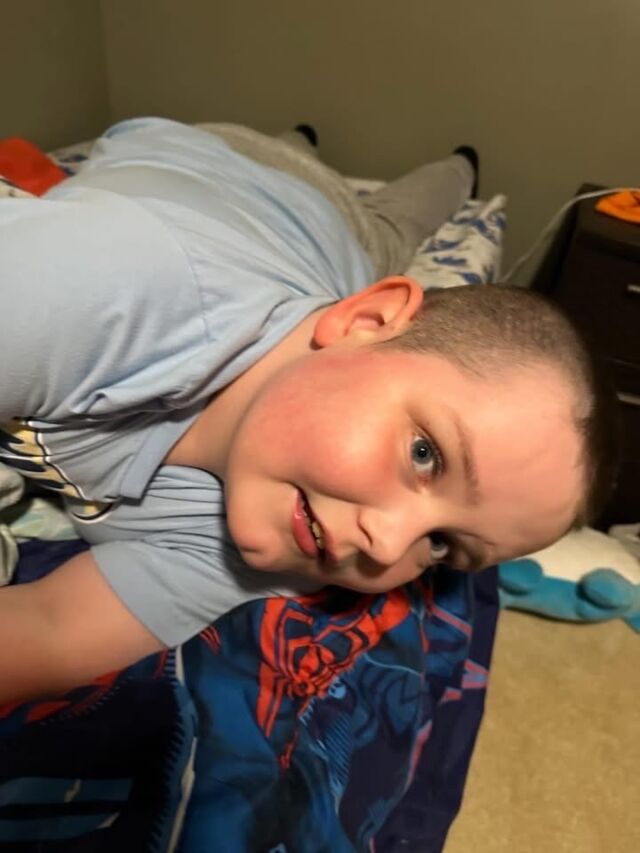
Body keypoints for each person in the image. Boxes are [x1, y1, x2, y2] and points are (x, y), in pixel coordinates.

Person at [0, 118, 615, 706]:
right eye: (424, 454)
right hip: (249, 178)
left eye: (441, 544)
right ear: (366, 320)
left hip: (312, 262)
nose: (387, 545)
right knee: (389, 224)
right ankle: (411, 159)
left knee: (391, 223)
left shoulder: (288, 536)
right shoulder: (113, 291)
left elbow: (52, 630)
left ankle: (446, 166)